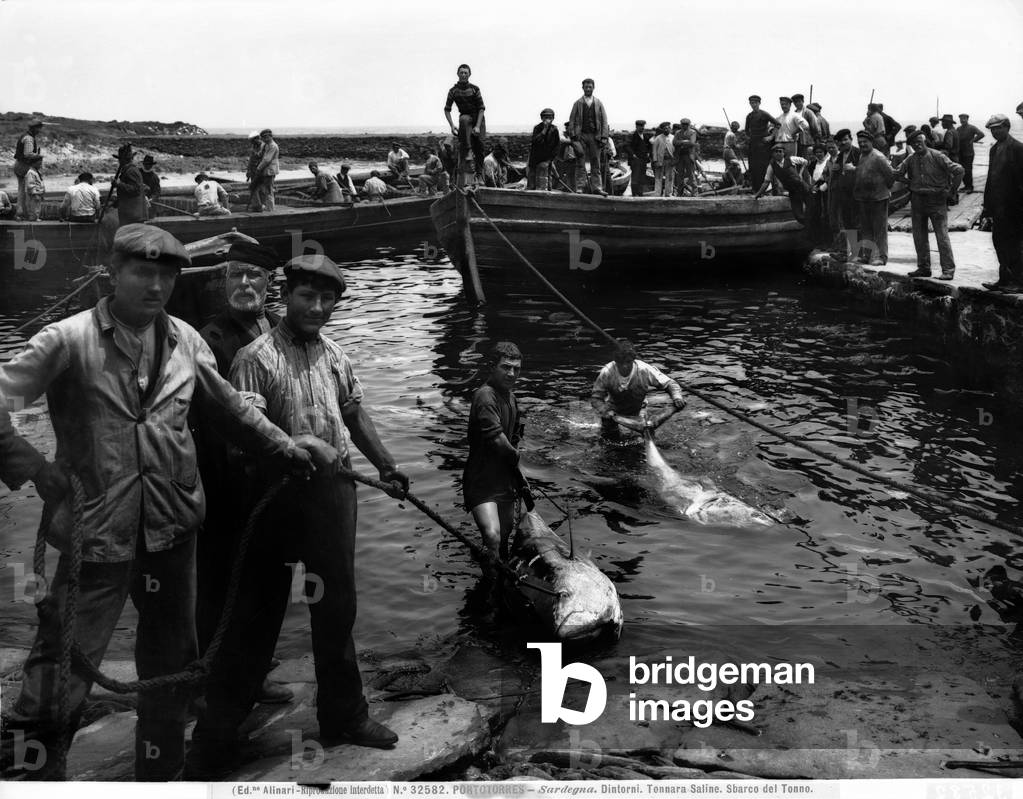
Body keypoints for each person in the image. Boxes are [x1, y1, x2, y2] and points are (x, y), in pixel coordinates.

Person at [0, 224, 316, 781]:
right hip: (94, 534)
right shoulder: (66, 340)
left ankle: (162, 777)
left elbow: (231, 412)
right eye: (142, 273)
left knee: (173, 669)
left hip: (172, 531)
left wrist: (287, 447)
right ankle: (35, 781)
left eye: (166, 276)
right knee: (60, 666)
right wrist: (31, 467)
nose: (155, 287)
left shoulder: (188, 341)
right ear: (111, 274)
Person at [189, 253, 410, 776]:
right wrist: (301, 443)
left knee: (337, 612)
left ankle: (344, 715)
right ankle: (218, 734)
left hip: (332, 498)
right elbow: (245, 436)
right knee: (253, 618)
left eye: (326, 299)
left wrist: (388, 465)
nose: (315, 307)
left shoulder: (335, 353)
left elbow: (353, 410)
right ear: (285, 297)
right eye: (306, 296)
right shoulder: (254, 356)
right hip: (270, 499)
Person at [192, 241, 291, 708]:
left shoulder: (278, 328)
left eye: (254, 275)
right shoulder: (209, 339)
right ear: (224, 281)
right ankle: (212, 680)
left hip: (274, 483)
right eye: (236, 276)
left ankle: (255, 674)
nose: (245, 284)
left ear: (270, 284)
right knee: (221, 586)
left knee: (270, 583)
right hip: (224, 485)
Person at [464, 342, 525, 561]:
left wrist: (518, 478)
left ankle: (497, 573)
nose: (511, 373)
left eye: (516, 369)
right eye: (506, 367)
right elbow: (498, 441)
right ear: (493, 366)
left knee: (504, 538)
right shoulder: (485, 396)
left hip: (504, 480)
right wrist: (518, 460)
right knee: (492, 536)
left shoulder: (511, 398)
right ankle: (490, 583)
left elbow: (514, 439)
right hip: (481, 480)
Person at [892, 130, 964, 279]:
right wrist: (910, 183)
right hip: (917, 200)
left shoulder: (938, 156)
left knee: (942, 235)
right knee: (919, 236)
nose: (917, 145)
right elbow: (896, 173)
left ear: (925, 141)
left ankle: (948, 270)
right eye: (913, 143)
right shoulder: (910, 159)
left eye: (920, 142)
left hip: (936, 200)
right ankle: (924, 268)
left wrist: (951, 191)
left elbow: (959, 170)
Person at [590, 340, 685, 440]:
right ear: (615, 361)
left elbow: (670, 384)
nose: (624, 366)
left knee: (641, 439)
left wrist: (677, 397)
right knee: (609, 439)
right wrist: (605, 410)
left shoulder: (644, 369)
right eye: (620, 363)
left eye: (628, 362)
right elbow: (596, 398)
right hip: (613, 412)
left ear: (633, 360)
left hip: (639, 410)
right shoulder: (607, 372)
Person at [980, 114, 1023, 292]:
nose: (995, 131)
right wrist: (986, 207)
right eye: (992, 129)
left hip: (1014, 207)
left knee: (1014, 244)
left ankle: (1019, 282)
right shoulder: (994, 149)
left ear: (1007, 127)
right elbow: (991, 179)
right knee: (999, 242)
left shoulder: (1018, 148)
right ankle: (1004, 279)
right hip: (998, 207)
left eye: (998, 127)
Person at [853, 130, 894, 266]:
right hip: (864, 198)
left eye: (865, 142)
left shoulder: (878, 157)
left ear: (871, 142)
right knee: (866, 228)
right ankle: (867, 255)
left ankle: (881, 257)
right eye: (860, 143)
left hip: (878, 198)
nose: (862, 144)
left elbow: (890, 176)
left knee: (879, 229)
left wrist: (883, 190)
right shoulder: (861, 156)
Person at [444, 64, 487, 183]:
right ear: (458, 74)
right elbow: (447, 109)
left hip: (478, 118)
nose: (463, 75)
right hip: (465, 117)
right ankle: (468, 153)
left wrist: (478, 126)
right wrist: (452, 126)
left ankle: (480, 175)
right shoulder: (453, 91)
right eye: (461, 72)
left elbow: (481, 108)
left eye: (466, 73)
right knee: (463, 120)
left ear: (469, 75)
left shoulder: (475, 89)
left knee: (480, 146)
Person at [568, 78, 609, 196]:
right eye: (586, 87)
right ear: (583, 88)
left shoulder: (599, 103)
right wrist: (573, 137)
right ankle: (580, 187)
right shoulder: (577, 103)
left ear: (593, 88)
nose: (588, 89)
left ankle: (597, 187)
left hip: (595, 136)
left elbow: (604, 120)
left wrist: (604, 137)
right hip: (581, 136)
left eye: (590, 87)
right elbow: (571, 121)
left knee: (595, 162)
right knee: (580, 161)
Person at [754, 143, 809, 224]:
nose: (778, 153)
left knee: (812, 208)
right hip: (793, 192)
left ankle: (813, 229)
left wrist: (800, 173)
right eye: (776, 152)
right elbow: (766, 182)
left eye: (780, 151)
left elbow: (805, 161)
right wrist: (758, 194)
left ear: (784, 153)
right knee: (798, 215)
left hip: (803, 187)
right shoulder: (771, 166)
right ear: (772, 154)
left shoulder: (791, 159)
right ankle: (808, 226)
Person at [827, 129, 860, 258]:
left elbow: (866, 169)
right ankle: (850, 252)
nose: (844, 142)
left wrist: (855, 169)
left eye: (846, 139)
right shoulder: (840, 155)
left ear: (851, 139)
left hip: (856, 194)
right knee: (847, 223)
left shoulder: (858, 153)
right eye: (841, 141)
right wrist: (836, 170)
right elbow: (837, 174)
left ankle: (858, 253)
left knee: (857, 223)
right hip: (844, 195)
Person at [13, 118, 43, 220]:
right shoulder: (29, 139)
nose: (39, 131)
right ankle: (27, 214)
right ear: (35, 128)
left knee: (22, 190)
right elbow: (28, 154)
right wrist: (39, 156)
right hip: (23, 165)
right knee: (30, 190)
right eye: (39, 128)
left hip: (19, 165)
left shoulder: (25, 136)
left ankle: (20, 213)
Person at [745, 95, 776, 190]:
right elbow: (746, 130)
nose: (753, 105)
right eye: (751, 103)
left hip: (763, 146)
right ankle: (755, 188)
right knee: (753, 167)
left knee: (763, 167)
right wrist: (750, 138)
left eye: (755, 103)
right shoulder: (749, 116)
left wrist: (771, 136)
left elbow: (777, 124)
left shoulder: (764, 114)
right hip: (753, 146)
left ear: (759, 103)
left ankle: (765, 188)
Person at [112, 143, 146, 225]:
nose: (119, 161)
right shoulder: (127, 170)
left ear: (123, 160)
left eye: (120, 159)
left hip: (133, 214)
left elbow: (136, 190)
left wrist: (118, 184)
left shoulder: (131, 171)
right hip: (129, 213)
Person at [806, 142, 832, 246]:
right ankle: (819, 241)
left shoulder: (828, 162)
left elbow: (830, 177)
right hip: (816, 192)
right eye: (816, 152)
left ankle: (828, 241)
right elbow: (811, 179)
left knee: (827, 216)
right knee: (816, 216)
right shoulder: (813, 164)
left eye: (821, 152)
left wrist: (823, 187)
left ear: (825, 152)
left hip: (827, 192)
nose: (819, 154)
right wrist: (813, 187)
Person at [527, 108, 560, 191]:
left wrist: (549, 160)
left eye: (550, 117)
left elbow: (557, 146)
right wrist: (544, 130)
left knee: (546, 182)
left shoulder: (554, 130)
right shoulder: (537, 128)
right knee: (532, 182)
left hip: (547, 160)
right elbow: (535, 141)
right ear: (542, 118)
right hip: (535, 159)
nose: (547, 119)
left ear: (553, 119)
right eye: (545, 117)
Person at [956, 113, 985, 193]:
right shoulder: (958, 129)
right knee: (962, 169)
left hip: (969, 153)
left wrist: (972, 141)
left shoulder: (972, 128)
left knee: (968, 170)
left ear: (967, 119)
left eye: (964, 118)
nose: (962, 120)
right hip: (960, 152)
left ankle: (970, 187)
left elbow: (981, 134)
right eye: (961, 119)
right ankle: (966, 186)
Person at [253, 129, 279, 212]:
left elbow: (267, 160)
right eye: (262, 138)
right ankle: (267, 207)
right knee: (264, 190)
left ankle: (270, 209)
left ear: (270, 137)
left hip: (270, 171)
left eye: (265, 137)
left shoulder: (273, 146)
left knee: (269, 190)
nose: (263, 139)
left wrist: (258, 168)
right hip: (265, 170)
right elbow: (261, 154)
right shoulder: (266, 145)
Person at [622, 119, 651, 197]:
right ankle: (634, 194)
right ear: (636, 126)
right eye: (640, 126)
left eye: (643, 126)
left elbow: (648, 146)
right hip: (635, 160)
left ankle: (640, 193)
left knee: (642, 177)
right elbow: (626, 146)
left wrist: (648, 153)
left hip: (643, 160)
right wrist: (633, 154)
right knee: (635, 178)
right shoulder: (631, 135)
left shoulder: (645, 136)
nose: (642, 128)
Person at [673, 118, 699, 195]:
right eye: (683, 124)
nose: (684, 126)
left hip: (689, 156)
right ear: (681, 125)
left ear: (689, 124)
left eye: (686, 124)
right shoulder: (678, 132)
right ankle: (679, 193)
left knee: (691, 174)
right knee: (679, 175)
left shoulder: (692, 132)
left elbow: (691, 143)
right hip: (680, 156)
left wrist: (680, 142)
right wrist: (685, 141)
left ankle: (695, 193)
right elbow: (674, 142)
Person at [791, 93, 820, 158]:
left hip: (807, 142)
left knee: (808, 159)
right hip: (797, 142)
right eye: (795, 102)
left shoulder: (808, 112)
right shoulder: (794, 113)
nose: (797, 104)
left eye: (799, 101)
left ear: (803, 101)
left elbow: (815, 128)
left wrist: (816, 141)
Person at [650, 122, 675, 197]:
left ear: (670, 129)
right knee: (658, 178)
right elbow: (654, 150)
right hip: (660, 161)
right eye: (665, 128)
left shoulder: (673, 138)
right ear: (662, 129)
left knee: (670, 178)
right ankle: (657, 194)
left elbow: (675, 150)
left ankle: (668, 194)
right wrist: (655, 160)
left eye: (668, 128)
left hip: (670, 161)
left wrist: (675, 160)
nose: (667, 129)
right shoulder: (658, 138)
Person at [245, 131, 264, 211]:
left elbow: (263, 159)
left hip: (260, 171)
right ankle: (257, 205)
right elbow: (251, 160)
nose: (252, 143)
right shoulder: (254, 147)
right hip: (253, 171)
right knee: (254, 188)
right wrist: (248, 171)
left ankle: (258, 206)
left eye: (253, 140)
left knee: (257, 188)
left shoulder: (263, 147)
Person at [22, 155, 45, 222]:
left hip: (38, 193)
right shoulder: (30, 173)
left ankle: (36, 218)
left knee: (37, 207)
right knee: (33, 208)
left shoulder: (36, 172)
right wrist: (35, 193)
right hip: (34, 194)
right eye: (39, 164)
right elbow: (30, 185)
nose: (40, 165)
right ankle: (33, 219)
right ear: (34, 163)